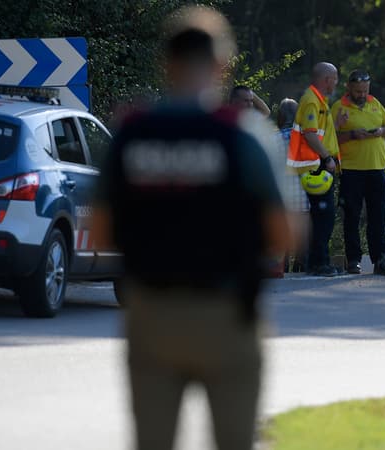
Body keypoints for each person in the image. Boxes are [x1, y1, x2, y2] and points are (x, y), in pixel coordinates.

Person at [91, 6, 292, 450]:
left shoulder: (132, 133)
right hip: (227, 312)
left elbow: (101, 234)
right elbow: (284, 235)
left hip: (150, 313)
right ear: (222, 64)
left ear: (166, 63)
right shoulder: (245, 135)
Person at [331, 69, 385, 276]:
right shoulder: (339, 107)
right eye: (358, 91)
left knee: (378, 217)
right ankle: (353, 260)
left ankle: (381, 259)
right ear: (349, 87)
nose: (362, 94)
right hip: (351, 171)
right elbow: (330, 137)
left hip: (377, 169)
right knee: (352, 217)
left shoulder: (375, 103)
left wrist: (379, 132)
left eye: (365, 90)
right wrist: (350, 134)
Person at [287, 62, 343, 277]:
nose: (336, 82)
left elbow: (321, 133)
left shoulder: (319, 101)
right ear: (327, 79)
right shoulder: (311, 101)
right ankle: (320, 263)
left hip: (317, 164)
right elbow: (310, 135)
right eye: (335, 78)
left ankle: (317, 261)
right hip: (315, 165)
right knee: (324, 215)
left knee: (322, 215)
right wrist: (327, 157)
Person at [275, 97, 310, 272]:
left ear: (280, 117)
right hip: (304, 199)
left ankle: (283, 266)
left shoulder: (272, 140)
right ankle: (301, 266)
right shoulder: (307, 140)